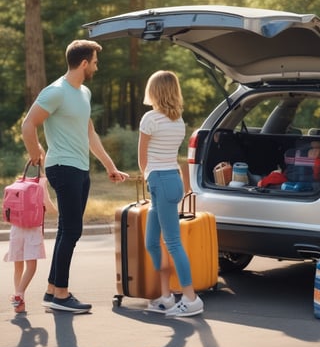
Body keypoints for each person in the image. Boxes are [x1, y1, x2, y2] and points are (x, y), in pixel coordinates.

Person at [21, 39, 129, 313]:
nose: (96, 65)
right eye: (94, 61)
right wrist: (36, 154)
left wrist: (109, 165)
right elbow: (28, 125)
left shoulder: (84, 93)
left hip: (80, 169)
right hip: (63, 168)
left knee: (67, 231)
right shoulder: (56, 91)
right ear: (83, 63)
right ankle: (61, 295)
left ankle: (51, 290)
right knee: (72, 230)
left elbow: (89, 133)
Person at [138, 70, 204, 317]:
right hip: (170, 181)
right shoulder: (178, 121)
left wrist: (149, 177)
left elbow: (142, 159)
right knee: (151, 243)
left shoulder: (150, 119)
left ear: (154, 91)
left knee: (173, 243)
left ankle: (191, 299)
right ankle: (166, 297)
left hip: (161, 182)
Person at [4, 148, 58, 313]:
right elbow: (49, 207)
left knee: (18, 266)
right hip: (32, 230)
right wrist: (57, 210)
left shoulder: (21, 180)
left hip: (16, 229)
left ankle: (19, 302)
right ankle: (19, 294)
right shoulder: (41, 182)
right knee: (31, 266)